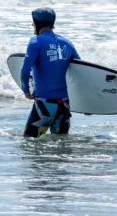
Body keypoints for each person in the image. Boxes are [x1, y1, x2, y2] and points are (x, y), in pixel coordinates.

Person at [20, 7, 80, 137]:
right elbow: (80, 72)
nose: (32, 25)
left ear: (38, 23)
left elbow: (25, 70)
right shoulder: (67, 43)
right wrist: (89, 104)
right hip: (64, 105)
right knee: (62, 149)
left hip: (44, 104)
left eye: (33, 22)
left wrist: (26, 90)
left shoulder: (36, 42)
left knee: (29, 144)